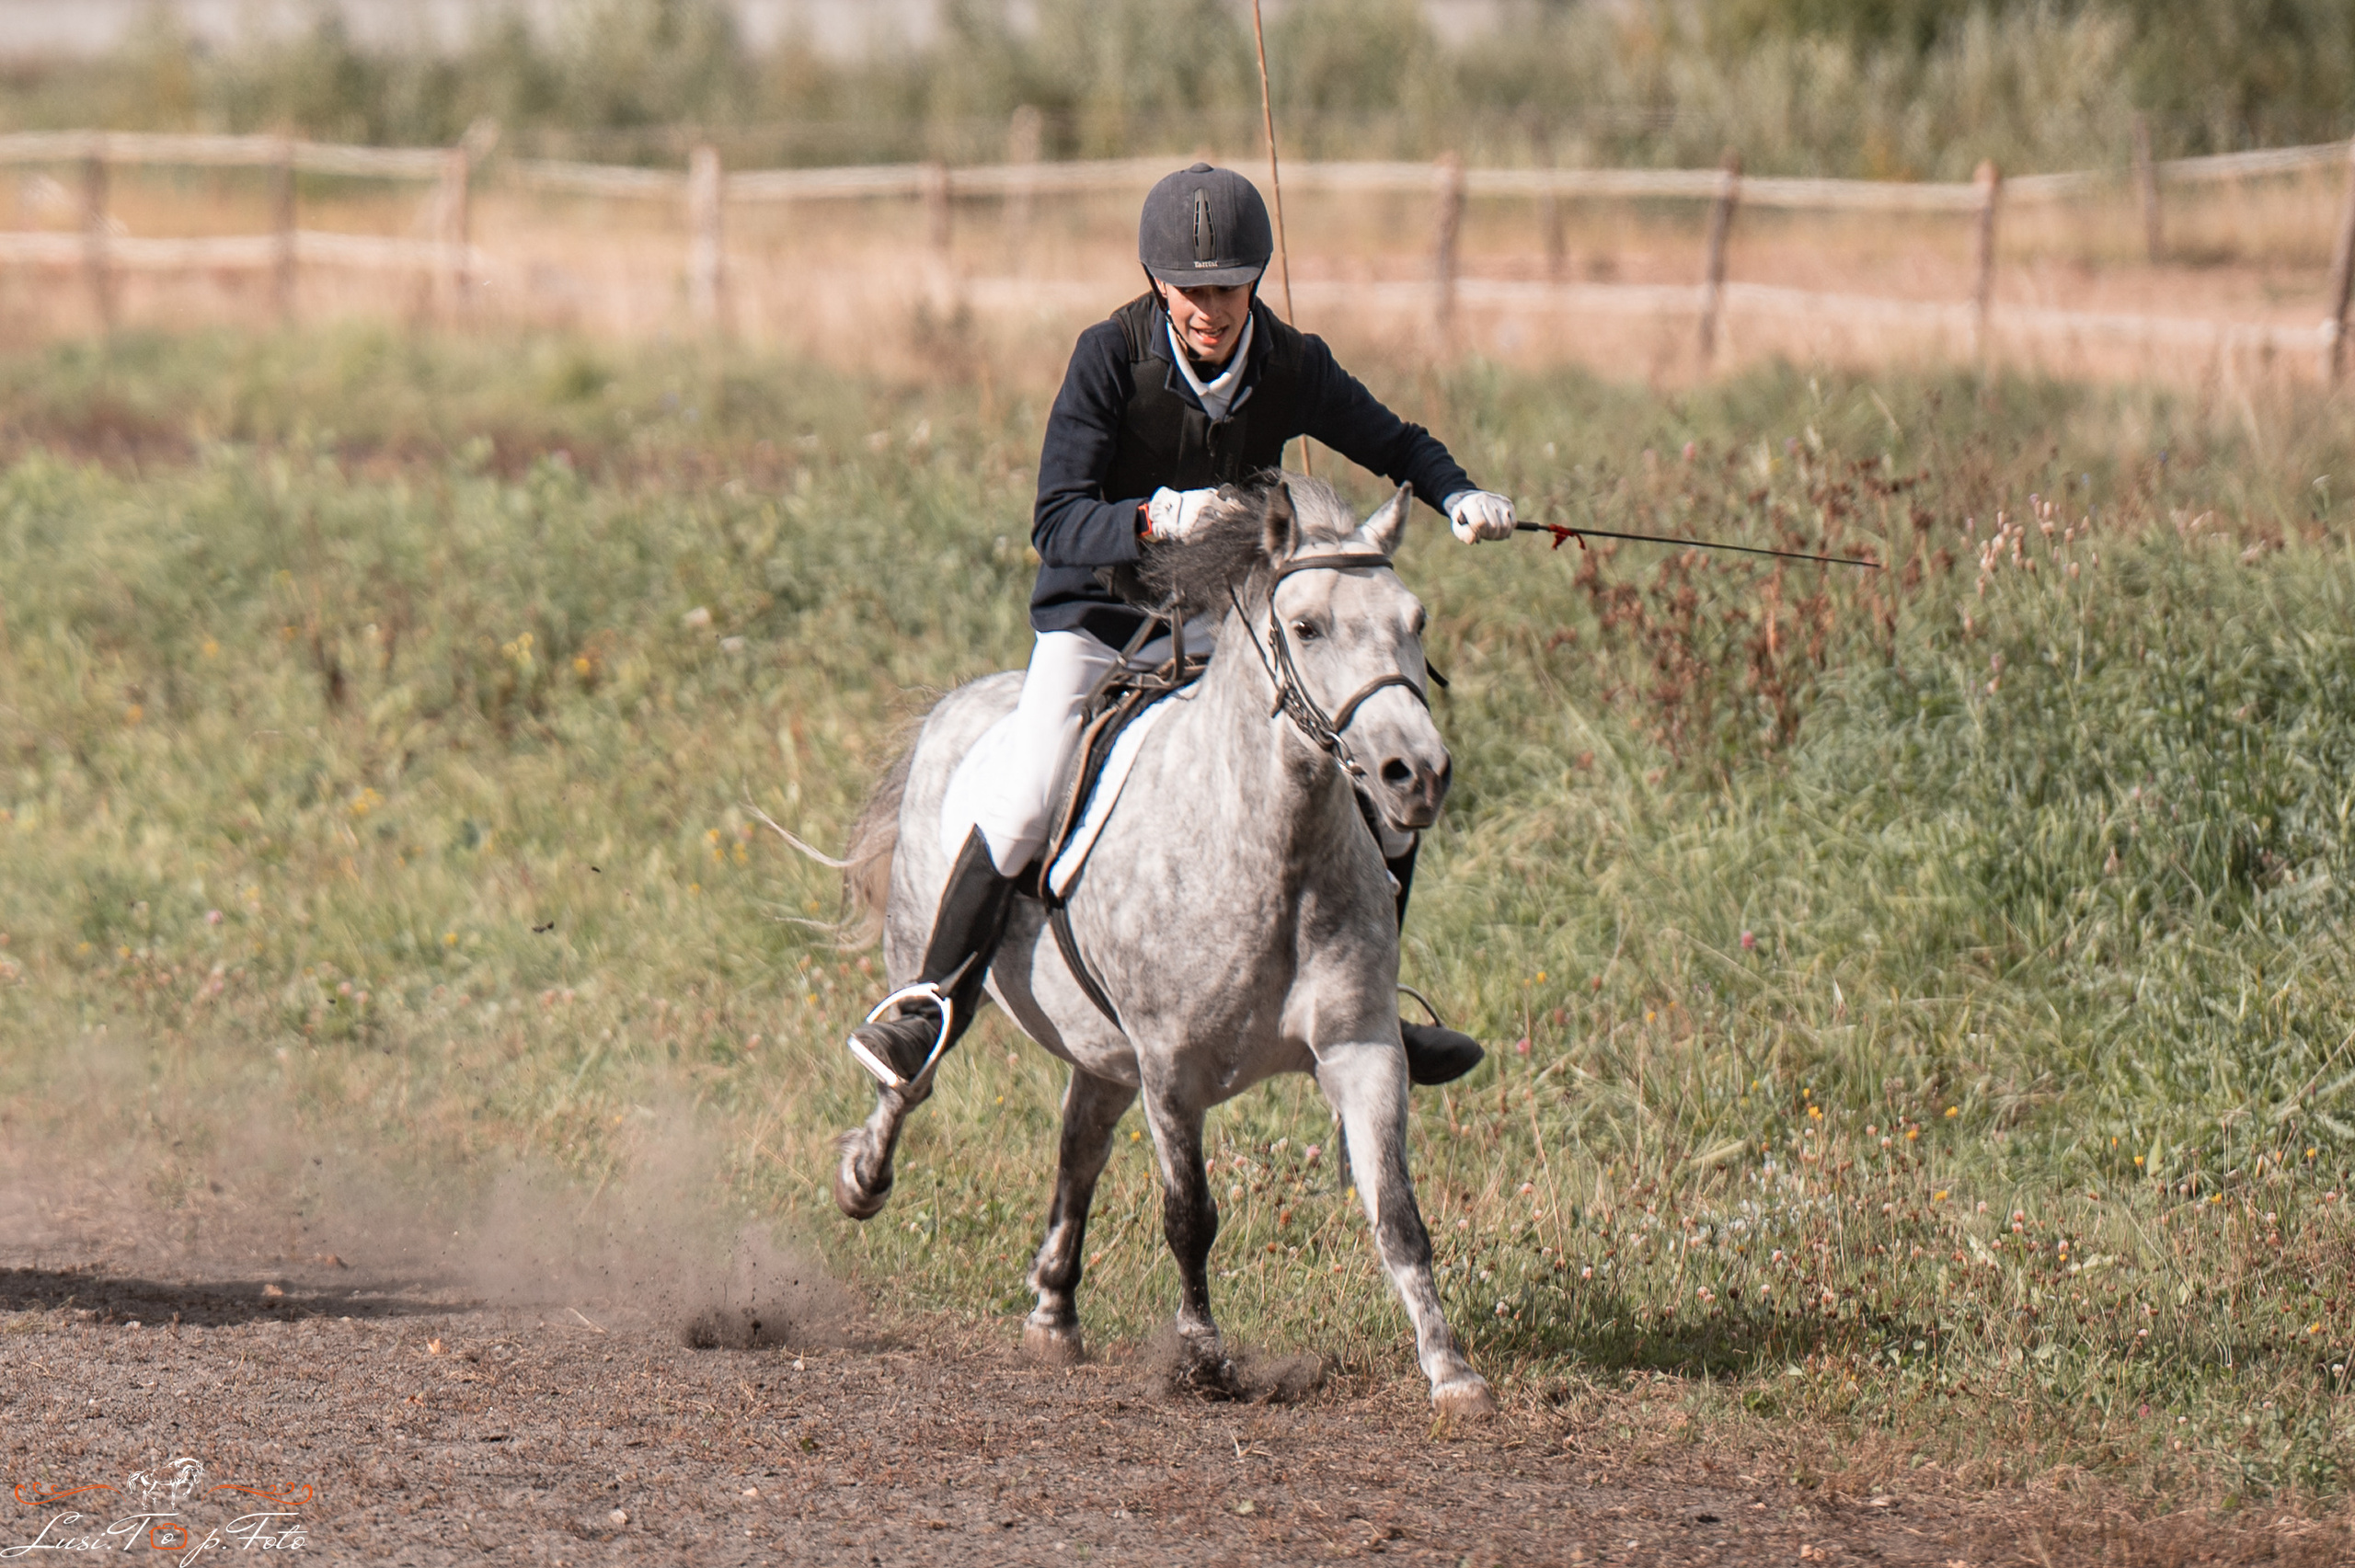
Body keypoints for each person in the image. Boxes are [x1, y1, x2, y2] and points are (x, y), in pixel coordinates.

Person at [847, 163, 1518, 1093]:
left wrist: (1457, 495)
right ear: (1158, 283)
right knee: (1029, 789)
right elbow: (1056, 521)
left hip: (1214, 630)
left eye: (1228, 287)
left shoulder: (1290, 362)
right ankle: (925, 1007)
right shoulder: (1109, 357)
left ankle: (1372, 1004)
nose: (1210, 307)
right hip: (1094, 621)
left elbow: (1394, 441)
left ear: (1255, 281)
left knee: (1357, 773)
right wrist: (1157, 517)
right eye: (1191, 289)